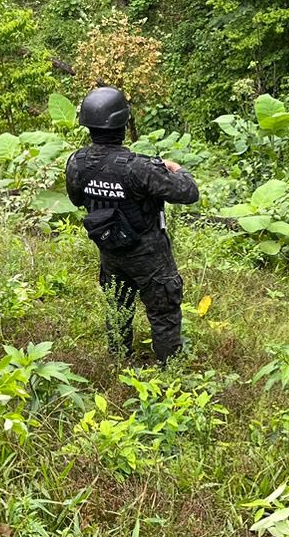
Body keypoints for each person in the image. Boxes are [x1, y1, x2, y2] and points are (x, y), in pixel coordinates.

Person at [63, 86, 198, 364]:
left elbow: (76, 199)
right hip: (148, 254)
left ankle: (119, 363)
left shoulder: (77, 162)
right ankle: (169, 371)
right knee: (163, 312)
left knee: (118, 308)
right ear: (123, 124)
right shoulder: (140, 167)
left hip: (110, 250)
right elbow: (188, 192)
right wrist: (176, 169)